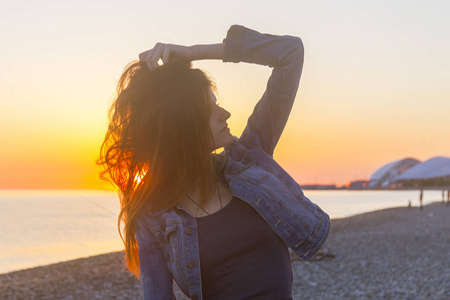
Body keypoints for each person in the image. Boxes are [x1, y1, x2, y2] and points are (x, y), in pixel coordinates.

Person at [99, 25, 330, 300]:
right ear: (183, 126)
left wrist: (193, 52)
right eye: (210, 109)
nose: (226, 113)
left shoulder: (249, 157)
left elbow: (290, 53)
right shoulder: (152, 215)